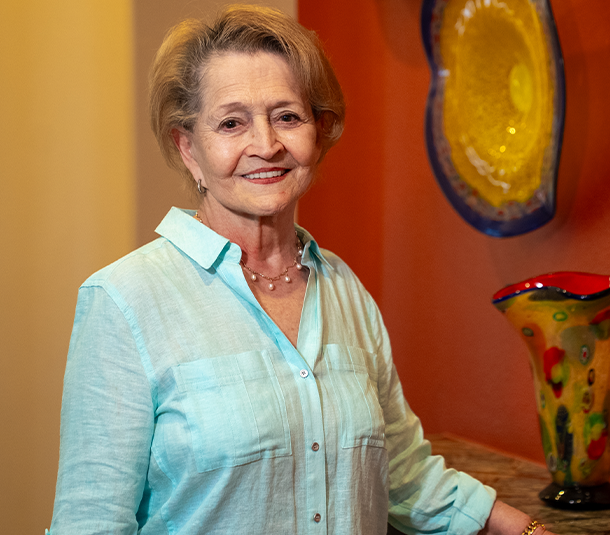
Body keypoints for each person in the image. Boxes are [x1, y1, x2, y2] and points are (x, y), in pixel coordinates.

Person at [49, 6, 556, 535]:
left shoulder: (344, 290)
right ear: (188, 148)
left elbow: (402, 475)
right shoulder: (124, 299)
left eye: (287, 116)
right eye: (231, 122)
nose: (266, 145)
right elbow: (91, 523)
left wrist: (524, 530)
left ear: (319, 131)